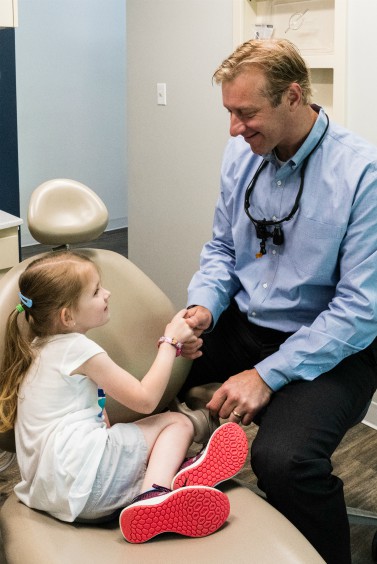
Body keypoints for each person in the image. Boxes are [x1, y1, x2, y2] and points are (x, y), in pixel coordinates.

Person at [180, 38, 377, 563]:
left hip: (332, 347)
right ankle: (153, 499)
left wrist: (267, 374)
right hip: (246, 322)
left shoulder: (362, 174)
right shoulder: (242, 153)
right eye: (228, 112)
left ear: (293, 96)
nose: (233, 129)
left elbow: (359, 310)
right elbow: (222, 247)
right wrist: (204, 306)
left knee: (285, 460)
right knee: (147, 373)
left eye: (246, 113)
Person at [0, 250, 248, 544]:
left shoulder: (36, 348)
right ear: (67, 316)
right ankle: (153, 497)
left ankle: (180, 475)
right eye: (95, 291)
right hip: (90, 486)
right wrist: (170, 342)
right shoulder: (79, 349)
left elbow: (91, 411)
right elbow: (145, 400)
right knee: (176, 424)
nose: (107, 293)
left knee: (137, 442)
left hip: (54, 495)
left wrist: (175, 349)